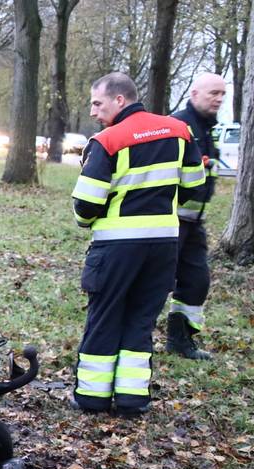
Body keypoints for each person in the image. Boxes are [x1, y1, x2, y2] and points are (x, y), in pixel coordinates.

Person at [70, 72, 206, 416]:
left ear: (120, 100)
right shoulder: (179, 132)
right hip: (163, 245)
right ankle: (132, 399)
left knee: (104, 316)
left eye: (97, 103)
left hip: (116, 246)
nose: (93, 111)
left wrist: (87, 223)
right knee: (142, 319)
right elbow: (194, 187)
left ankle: (92, 397)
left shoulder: (108, 140)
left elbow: (86, 203)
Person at [166, 72, 227, 360]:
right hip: (170, 221)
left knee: (196, 281)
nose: (219, 98)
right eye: (213, 93)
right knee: (157, 281)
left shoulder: (206, 127)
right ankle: (134, 338)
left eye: (222, 94)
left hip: (194, 223)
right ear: (194, 94)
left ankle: (180, 340)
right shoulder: (179, 125)